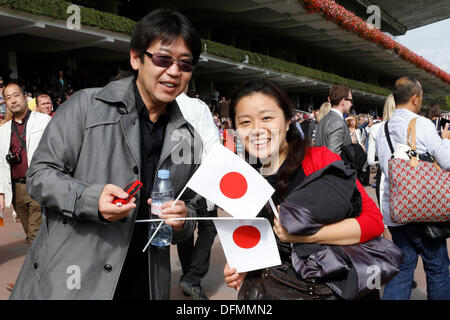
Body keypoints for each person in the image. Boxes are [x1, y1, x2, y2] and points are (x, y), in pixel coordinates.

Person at [10, 8, 203, 300]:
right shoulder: (86, 107)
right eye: (163, 59)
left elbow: (193, 212)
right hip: (74, 281)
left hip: (147, 283)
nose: (174, 71)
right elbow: (39, 176)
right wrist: (90, 198)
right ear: (136, 58)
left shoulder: (188, 138)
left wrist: (183, 219)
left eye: (186, 64)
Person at [223, 80, 385, 300]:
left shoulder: (320, 160)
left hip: (336, 289)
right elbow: (259, 248)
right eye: (244, 122)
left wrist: (305, 235)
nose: (257, 129)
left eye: (267, 118)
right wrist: (243, 269)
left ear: (288, 121)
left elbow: (374, 223)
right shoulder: (245, 181)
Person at [377, 76, 450, 300]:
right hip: (426, 211)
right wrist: (445, 139)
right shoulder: (422, 124)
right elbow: (446, 162)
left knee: (402, 269)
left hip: (397, 210)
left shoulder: (383, 128)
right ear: (415, 98)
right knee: (437, 268)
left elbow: (386, 167)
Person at [175, 91, 219, 300]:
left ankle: (188, 276)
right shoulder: (197, 106)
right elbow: (212, 144)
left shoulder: (164, 104)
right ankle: (192, 277)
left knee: (185, 226)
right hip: (199, 175)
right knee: (208, 227)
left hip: (175, 177)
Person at [0, 83, 51, 246]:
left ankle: (40, 269)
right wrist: (1, 192)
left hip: (37, 183)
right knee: (31, 233)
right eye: (8, 97)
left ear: (24, 97)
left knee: (35, 235)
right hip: (16, 190)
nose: (13, 100)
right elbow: (1, 163)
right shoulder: (3, 130)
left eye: (16, 95)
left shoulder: (44, 121)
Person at [314, 85, 353, 154]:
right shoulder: (338, 123)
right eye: (351, 100)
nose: (352, 104)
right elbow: (333, 156)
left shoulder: (323, 120)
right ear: (343, 101)